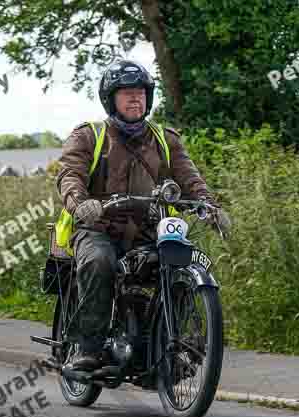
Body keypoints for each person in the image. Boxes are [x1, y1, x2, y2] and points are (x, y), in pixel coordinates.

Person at [55, 59, 229, 371]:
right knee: (99, 262)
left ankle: (173, 344)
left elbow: (190, 179)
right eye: (127, 93)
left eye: (141, 93)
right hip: (98, 228)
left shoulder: (166, 139)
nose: (136, 99)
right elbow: (69, 175)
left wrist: (209, 206)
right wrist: (81, 203)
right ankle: (89, 347)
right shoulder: (88, 136)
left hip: (148, 230)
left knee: (181, 261)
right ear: (111, 99)